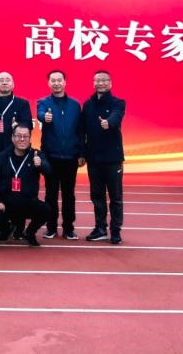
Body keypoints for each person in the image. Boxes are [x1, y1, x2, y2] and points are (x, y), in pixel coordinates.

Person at [36, 69, 84, 240]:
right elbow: (40, 114)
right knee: (51, 194)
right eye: (53, 80)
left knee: (69, 194)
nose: (56, 83)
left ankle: (69, 228)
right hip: (51, 157)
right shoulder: (43, 103)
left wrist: (81, 152)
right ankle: (51, 227)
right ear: (48, 83)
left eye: (59, 80)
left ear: (65, 82)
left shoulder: (75, 105)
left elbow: (80, 131)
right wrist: (45, 117)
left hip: (70, 157)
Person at [81, 70, 127, 245]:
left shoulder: (118, 102)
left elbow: (116, 116)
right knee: (97, 196)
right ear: (93, 83)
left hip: (113, 158)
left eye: (104, 80)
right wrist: (82, 154)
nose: (100, 83)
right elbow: (82, 131)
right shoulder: (88, 104)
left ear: (110, 83)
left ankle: (115, 230)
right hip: (94, 159)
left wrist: (109, 122)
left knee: (115, 197)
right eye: (97, 80)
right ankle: (100, 228)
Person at [0, 124, 52, 247]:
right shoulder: (2, 156)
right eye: (18, 136)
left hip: (28, 203)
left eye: (25, 136)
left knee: (46, 209)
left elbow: (48, 171)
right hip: (6, 205)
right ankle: (7, 228)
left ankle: (30, 232)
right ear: (12, 138)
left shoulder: (36, 155)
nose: (22, 139)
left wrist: (41, 164)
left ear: (30, 138)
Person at [0, 72, 33, 166]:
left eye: (8, 80)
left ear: (13, 84)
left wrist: (18, 126)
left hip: (16, 151)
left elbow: (28, 125)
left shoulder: (22, 104)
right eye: (1, 80)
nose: (4, 82)